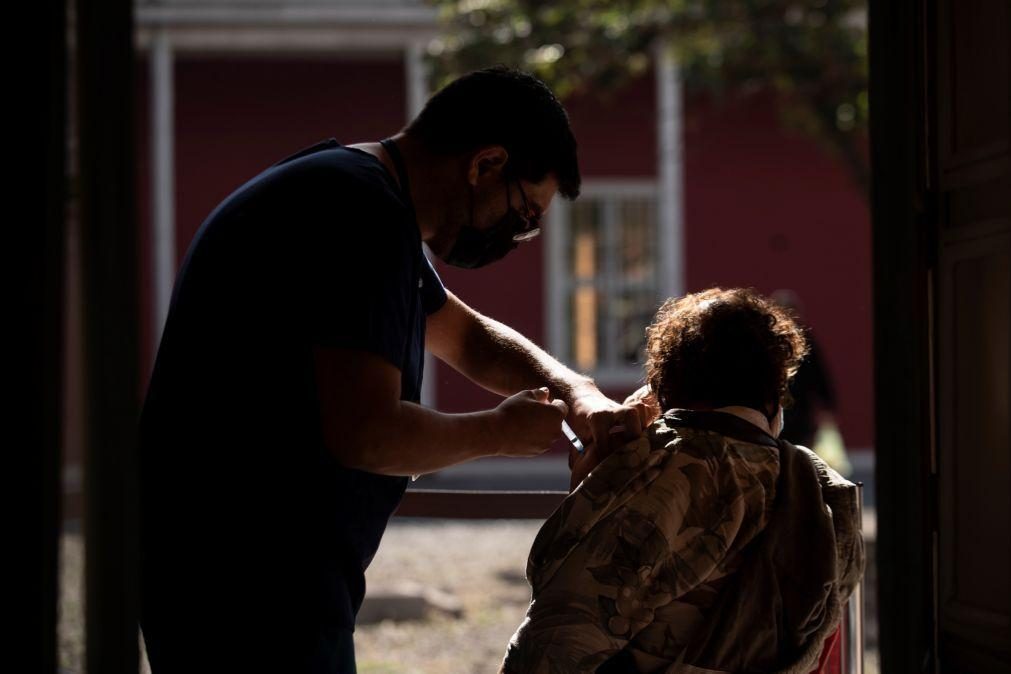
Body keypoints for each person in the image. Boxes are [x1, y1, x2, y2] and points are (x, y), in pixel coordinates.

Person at [139, 67, 645, 673]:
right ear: (485, 164)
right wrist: (500, 432)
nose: (517, 235)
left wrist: (579, 394)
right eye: (522, 212)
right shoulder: (359, 213)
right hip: (247, 580)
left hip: (246, 573)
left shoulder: (358, 196)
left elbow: (467, 337)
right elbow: (368, 434)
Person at [501, 288, 864, 674]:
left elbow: (558, 637)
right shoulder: (814, 491)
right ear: (775, 393)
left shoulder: (666, 470)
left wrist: (600, 485)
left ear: (666, 387)